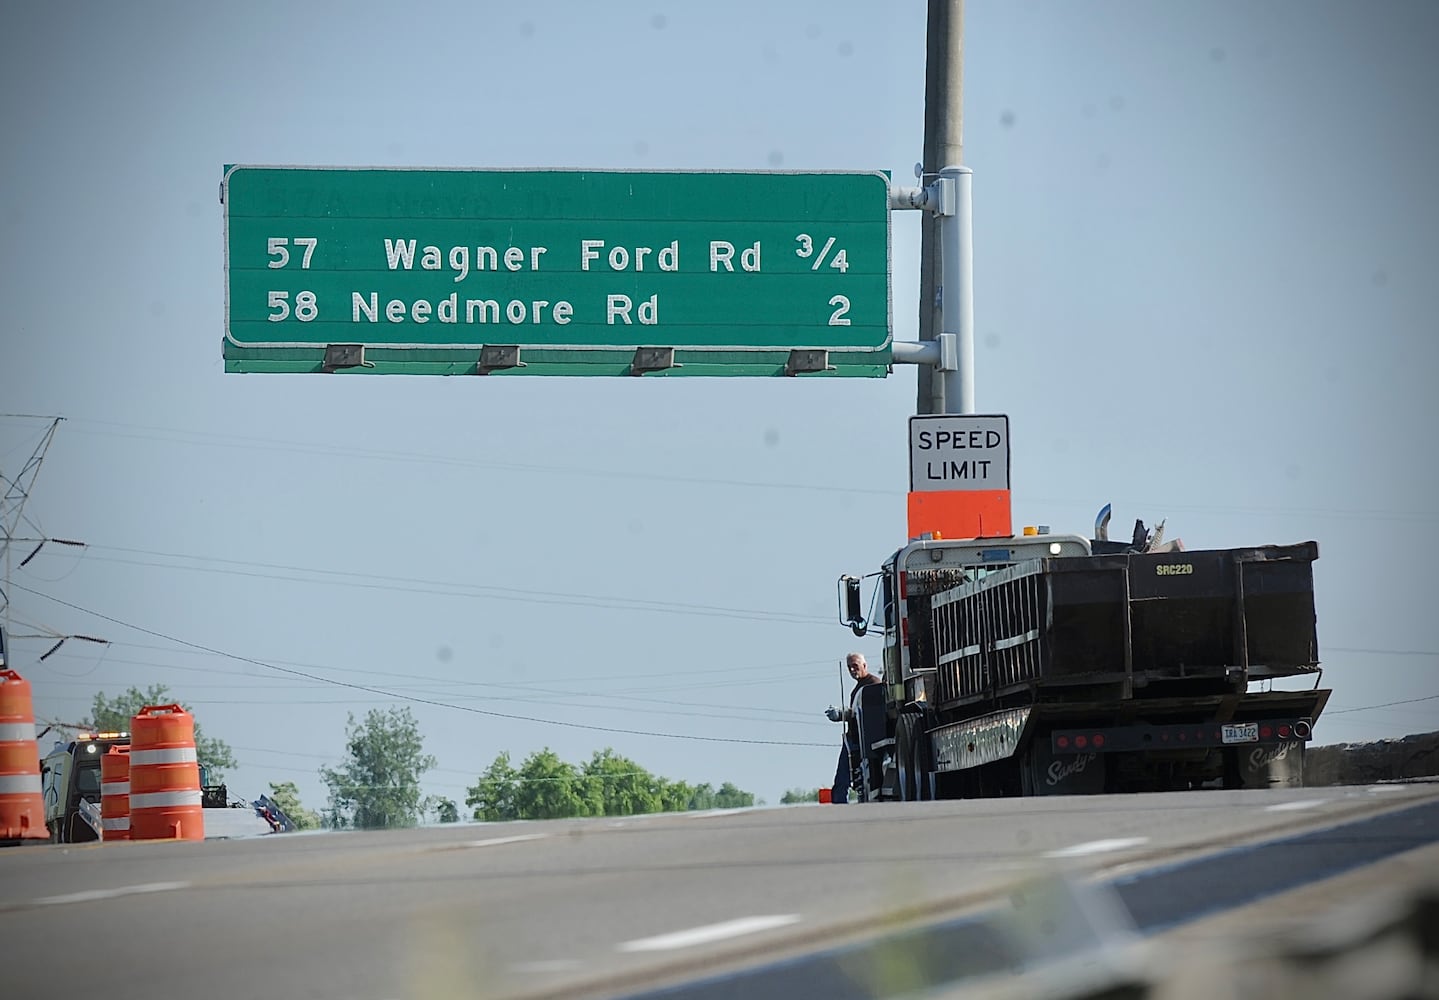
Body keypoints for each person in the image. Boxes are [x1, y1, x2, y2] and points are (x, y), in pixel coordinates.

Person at [824, 652, 883, 803]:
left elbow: (868, 713)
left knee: (848, 779)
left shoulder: (873, 685)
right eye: (849, 667)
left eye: (855, 666)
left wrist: (843, 713)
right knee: (841, 780)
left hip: (864, 741)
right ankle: (839, 809)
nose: (852, 670)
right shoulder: (857, 689)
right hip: (853, 738)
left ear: (865, 665)